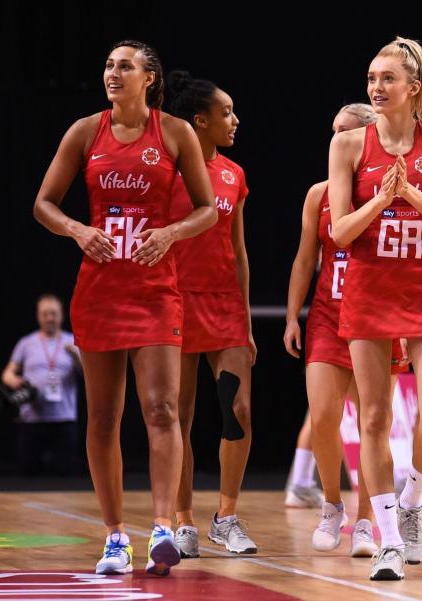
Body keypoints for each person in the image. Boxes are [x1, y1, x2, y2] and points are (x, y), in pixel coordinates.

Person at [32, 40, 217, 575]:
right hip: (99, 290)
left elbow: (205, 210)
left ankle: (162, 526)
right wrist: (77, 229)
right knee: (102, 418)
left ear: (150, 78)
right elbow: (43, 204)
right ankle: (114, 535)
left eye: (125, 66)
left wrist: (171, 232)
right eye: (109, 66)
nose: (113, 73)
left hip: (156, 290)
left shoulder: (175, 133)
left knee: (161, 410)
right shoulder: (85, 131)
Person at [328, 37, 422, 580]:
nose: (376, 88)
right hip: (370, 289)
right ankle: (386, 539)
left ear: (414, 87)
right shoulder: (349, 146)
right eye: (370, 78)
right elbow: (339, 232)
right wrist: (381, 201)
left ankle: (411, 502)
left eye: (386, 79)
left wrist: (411, 194)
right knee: (376, 419)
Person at [284, 103, 386, 558]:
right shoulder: (318, 194)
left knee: (371, 424)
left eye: (345, 132)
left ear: (368, 137)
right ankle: (332, 506)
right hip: (328, 314)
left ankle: (366, 521)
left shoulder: (390, 190)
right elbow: (306, 258)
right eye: (333, 132)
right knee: (323, 416)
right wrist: (292, 316)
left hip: (375, 317)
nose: (336, 140)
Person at [165, 71, 257, 557]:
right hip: (175, 303)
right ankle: (183, 521)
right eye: (226, 113)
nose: (235, 120)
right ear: (199, 121)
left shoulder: (233, 174)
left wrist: (244, 317)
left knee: (237, 410)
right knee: (178, 417)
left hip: (224, 308)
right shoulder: (166, 170)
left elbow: (238, 251)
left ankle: (227, 515)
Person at [2, 294, 82, 475]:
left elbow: (88, 375)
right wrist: (13, 380)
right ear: (38, 316)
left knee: (65, 473)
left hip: (64, 419)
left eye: (53, 314)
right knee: (28, 473)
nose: (49, 318)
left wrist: (76, 356)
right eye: (45, 314)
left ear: (61, 315)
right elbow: (7, 373)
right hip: (31, 419)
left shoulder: (73, 341)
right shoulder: (26, 343)